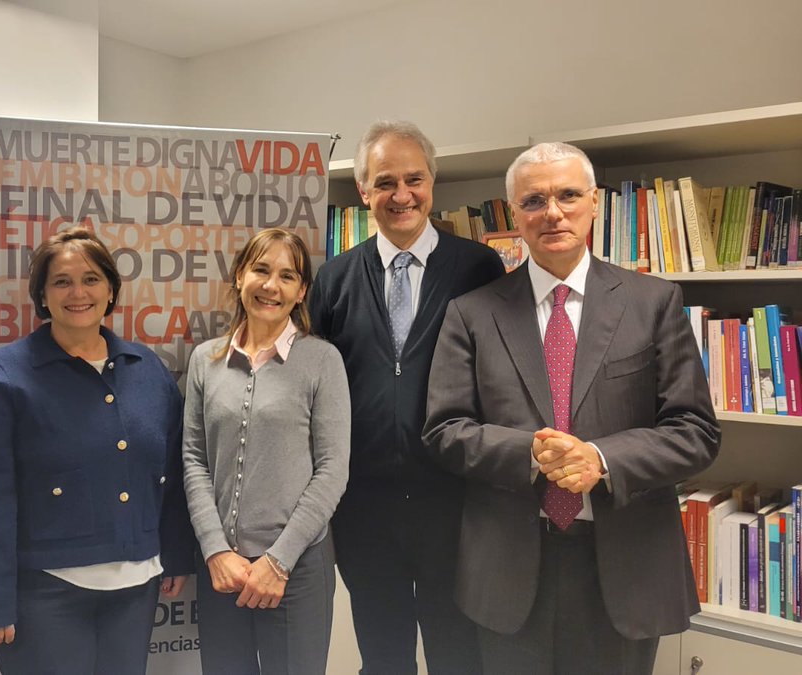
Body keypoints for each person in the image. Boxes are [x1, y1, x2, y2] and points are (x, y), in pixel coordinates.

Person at [423, 142, 720, 674]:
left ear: (594, 202)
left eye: (567, 195)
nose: (553, 213)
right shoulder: (472, 313)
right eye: (534, 201)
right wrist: (531, 453)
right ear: (514, 213)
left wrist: (601, 459)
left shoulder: (654, 302)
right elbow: (445, 429)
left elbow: (695, 431)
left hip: (625, 570)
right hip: (509, 569)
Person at [307, 121, 504, 674]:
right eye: (385, 182)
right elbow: (316, 390)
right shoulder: (335, 279)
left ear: (432, 183)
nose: (402, 195)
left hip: (455, 504)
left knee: (458, 655)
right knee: (383, 656)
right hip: (364, 509)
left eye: (414, 179)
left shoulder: (479, 269)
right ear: (363, 191)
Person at [0, 226, 193, 674]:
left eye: (91, 279)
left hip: (136, 588)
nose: (78, 293)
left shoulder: (147, 370)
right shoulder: (4, 379)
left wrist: (177, 553)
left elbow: (172, 474)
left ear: (110, 290)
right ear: (42, 296)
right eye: (62, 281)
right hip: (45, 596)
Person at [183, 227, 350, 675]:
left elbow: (332, 470)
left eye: (287, 276)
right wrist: (215, 550)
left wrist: (278, 562)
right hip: (223, 570)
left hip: (296, 569)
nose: (271, 286)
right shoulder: (205, 360)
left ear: (302, 291)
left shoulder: (322, 361)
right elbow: (194, 460)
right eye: (260, 270)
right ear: (240, 275)